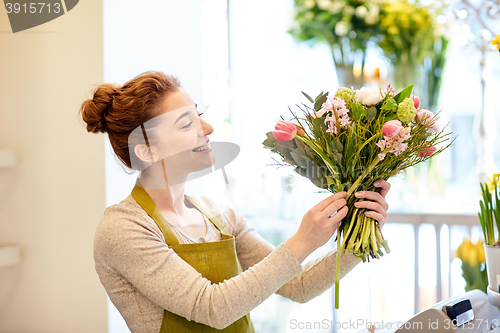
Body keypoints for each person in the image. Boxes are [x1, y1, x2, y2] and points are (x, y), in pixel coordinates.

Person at [80, 71, 391, 333]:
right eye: (186, 124)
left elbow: (298, 286)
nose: (208, 129)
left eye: (198, 116)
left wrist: (359, 235)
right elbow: (212, 307)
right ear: (147, 150)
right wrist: (303, 241)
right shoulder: (123, 229)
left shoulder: (218, 215)